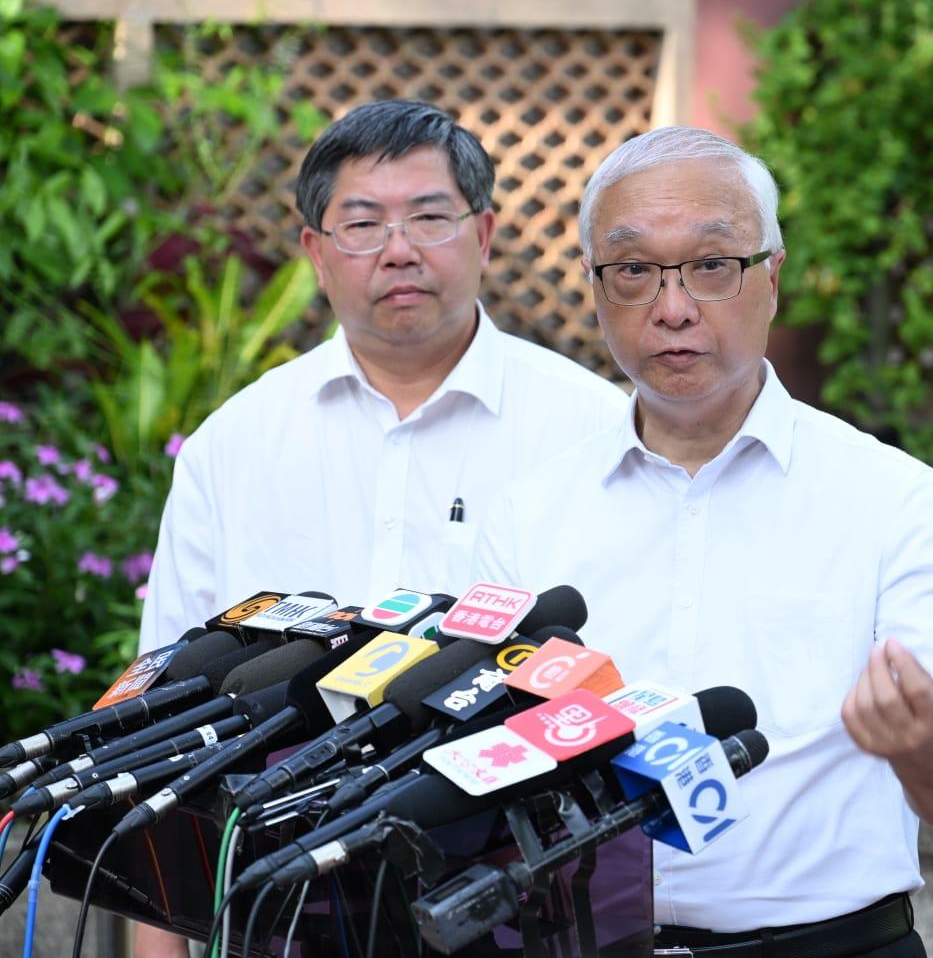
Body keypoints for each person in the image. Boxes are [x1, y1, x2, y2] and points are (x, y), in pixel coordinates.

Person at [473, 126, 933, 956]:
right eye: (633, 270)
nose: (673, 307)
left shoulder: (889, 497)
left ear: (772, 278)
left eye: (711, 264)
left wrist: (927, 749)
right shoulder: (528, 513)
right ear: (596, 288)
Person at [134, 99, 626, 957]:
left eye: (430, 217)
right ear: (315, 252)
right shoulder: (234, 445)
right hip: (272, 902)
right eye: (362, 224)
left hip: (521, 897)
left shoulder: (592, 430)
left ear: (483, 235)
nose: (399, 250)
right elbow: (161, 719)